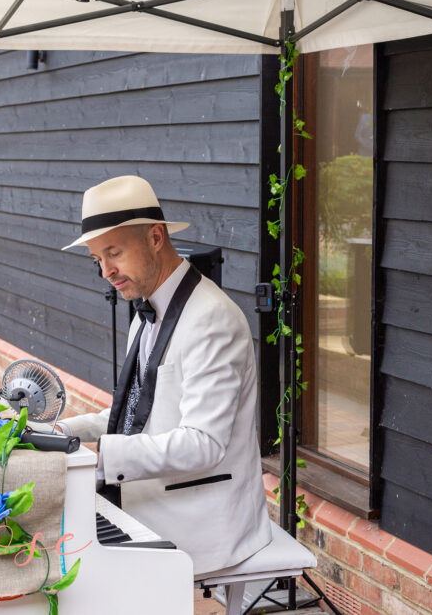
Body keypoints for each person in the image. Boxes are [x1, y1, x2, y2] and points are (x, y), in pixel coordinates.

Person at [57, 174, 272, 576]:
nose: (106, 271)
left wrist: (99, 458)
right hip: (150, 498)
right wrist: (60, 431)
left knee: (69, 568)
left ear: (156, 237)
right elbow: (140, 411)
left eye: (114, 252)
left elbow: (203, 444)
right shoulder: (147, 305)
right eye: (97, 259)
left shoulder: (212, 319)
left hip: (201, 523)